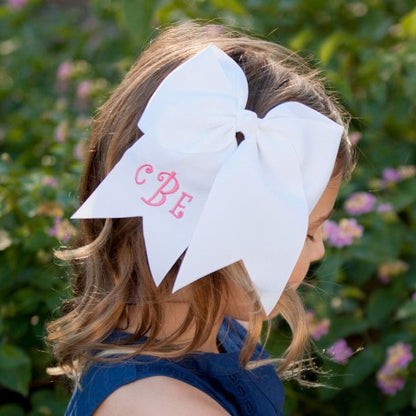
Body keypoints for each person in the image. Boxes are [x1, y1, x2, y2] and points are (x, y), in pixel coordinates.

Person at [47, 22, 355, 416]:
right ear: (222, 231)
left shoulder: (216, 332)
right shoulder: (162, 406)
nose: (319, 249)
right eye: (309, 231)